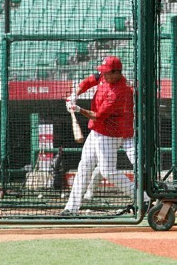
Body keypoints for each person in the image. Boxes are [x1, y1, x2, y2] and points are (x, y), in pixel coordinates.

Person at [61, 56, 135, 216]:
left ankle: (141, 198)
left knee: (108, 172)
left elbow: (98, 115)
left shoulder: (120, 91)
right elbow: (89, 81)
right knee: (84, 167)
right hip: (95, 132)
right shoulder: (104, 76)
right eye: (104, 72)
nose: (104, 76)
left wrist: (78, 109)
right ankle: (71, 209)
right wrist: (75, 93)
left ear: (117, 73)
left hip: (110, 134)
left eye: (108, 73)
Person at [81, 81, 150, 210]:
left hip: (129, 135)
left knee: (139, 163)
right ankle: (90, 192)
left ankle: (144, 196)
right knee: (104, 167)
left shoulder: (138, 96)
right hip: (113, 133)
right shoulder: (120, 91)